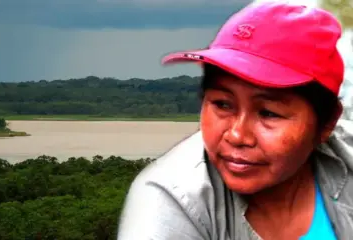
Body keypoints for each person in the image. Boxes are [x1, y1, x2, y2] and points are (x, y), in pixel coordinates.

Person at [117, 1, 353, 239]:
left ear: (327, 123)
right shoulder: (170, 199)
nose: (237, 135)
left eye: (268, 113)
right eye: (222, 104)